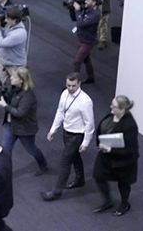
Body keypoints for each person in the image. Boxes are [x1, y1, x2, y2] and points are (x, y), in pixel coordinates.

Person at [41, 72, 95, 201]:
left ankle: (56, 192)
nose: (70, 88)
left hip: (77, 135)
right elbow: (60, 111)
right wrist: (53, 129)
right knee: (74, 156)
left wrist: (86, 142)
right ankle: (80, 179)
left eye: (73, 86)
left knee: (65, 162)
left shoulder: (85, 101)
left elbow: (90, 124)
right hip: (66, 132)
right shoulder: (64, 93)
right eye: (68, 85)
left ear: (79, 84)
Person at [0, 67, 48, 176]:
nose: (11, 79)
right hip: (10, 125)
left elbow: (20, 113)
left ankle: (43, 165)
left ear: (21, 80)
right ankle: (4, 173)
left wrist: (5, 105)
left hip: (25, 129)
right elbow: (8, 96)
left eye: (14, 77)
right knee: (5, 150)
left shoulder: (28, 96)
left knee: (31, 149)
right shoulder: (13, 87)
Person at [92, 95, 139, 216]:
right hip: (106, 155)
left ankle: (124, 204)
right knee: (99, 176)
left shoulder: (130, 126)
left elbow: (130, 150)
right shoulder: (112, 115)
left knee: (123, 183)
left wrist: (110, 149)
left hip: (123, 160)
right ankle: (108, 201)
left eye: (114, 106)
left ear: (122, 109)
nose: (110, 107)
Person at [72, 0, 101, 84]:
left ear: (94, 2)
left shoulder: (95, 15)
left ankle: (74, 83)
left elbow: (80, 24)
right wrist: (72, 9)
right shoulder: (86, 10)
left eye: (88, 0)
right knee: (86, 59)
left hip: (88, 42)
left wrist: (77, 11)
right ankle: (91, 77)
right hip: (81, 39)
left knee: (77, 62)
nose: (85, 1)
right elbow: (75, 19)